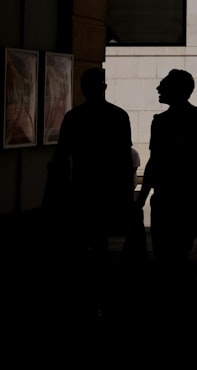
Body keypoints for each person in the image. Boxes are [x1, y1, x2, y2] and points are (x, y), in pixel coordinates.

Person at [54, 66, 136, 316]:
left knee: (80, 243)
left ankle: (84, 295)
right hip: (108, 189)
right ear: (104, 88)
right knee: (103, 244)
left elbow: (61, 157)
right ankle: (105, 293)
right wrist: (127, 196)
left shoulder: (73, 117)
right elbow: (124, 160)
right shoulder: (119, 116)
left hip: (82, 187)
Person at [136, 70, 197, 275]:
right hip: (190, 198)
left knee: (164, 255)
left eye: (164, 85)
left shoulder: (161, 121)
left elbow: (155, 163)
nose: (159, 88)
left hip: (166, 198)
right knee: (179, 254)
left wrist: (141, 199)